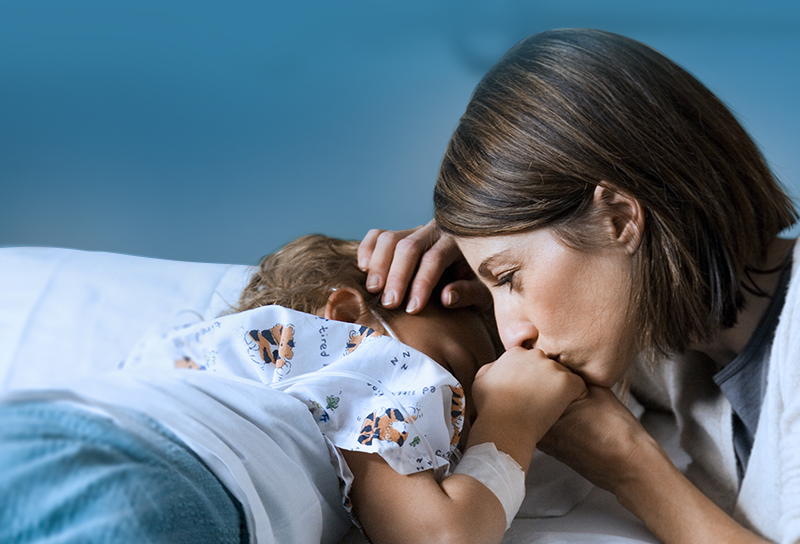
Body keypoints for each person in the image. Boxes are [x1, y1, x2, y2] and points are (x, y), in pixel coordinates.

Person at [359, 28, 800, 544]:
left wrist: (631, 469)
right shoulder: (678, 346)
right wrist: (479, 238)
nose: (511, 334)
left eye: (510, 278)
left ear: (618, 219)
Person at [0, 233, 585, 544]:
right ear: (348, 312)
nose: (468, 396)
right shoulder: (370, 361)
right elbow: (438, 537)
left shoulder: (206, 350)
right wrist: (511, 417)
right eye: (463, 364)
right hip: (153, 482)